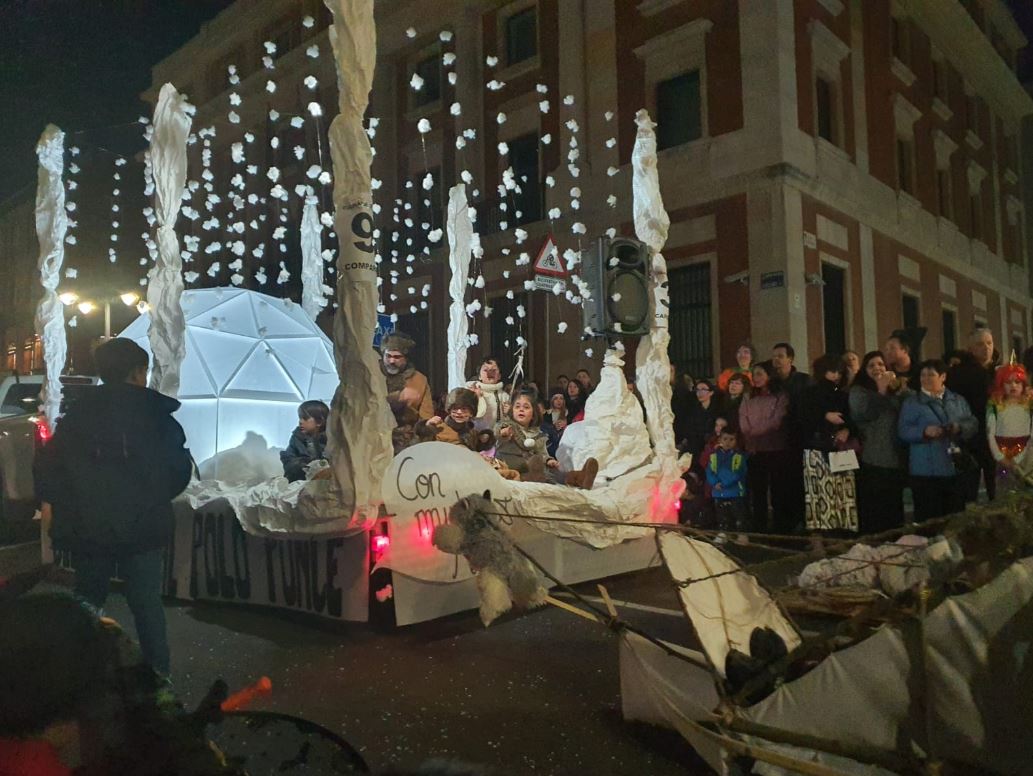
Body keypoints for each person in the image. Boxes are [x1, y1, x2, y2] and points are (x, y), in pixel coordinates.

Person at [34, 338, 192, 676]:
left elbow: (49, 467)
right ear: (139, 372)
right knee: (146, 603)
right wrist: (152, 497)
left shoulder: (78, 415)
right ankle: (157, 679)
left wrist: (67, 504)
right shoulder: (157, 416)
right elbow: (178, 470)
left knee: (88, 600)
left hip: (88, 524)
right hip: (143, 524)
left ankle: (80, 677)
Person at [898, 359, 977, 522]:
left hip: (954, 468)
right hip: (925, 471)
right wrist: (924, 432)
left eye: (931, 375)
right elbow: (903, 431)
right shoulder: (912, 403)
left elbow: (972, 423)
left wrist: (958, 427)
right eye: (923, 375)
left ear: (943, 377)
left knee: (954, 518)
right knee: (929, 520)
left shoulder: (957, 400)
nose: (925, 378)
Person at [848, 351, 910, 534]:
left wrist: (898, 389)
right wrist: (881, 391)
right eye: (871, 365)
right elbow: (864, 414)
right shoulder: (859, 391)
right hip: (873, 458)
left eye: (881, 364)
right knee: (875, 510)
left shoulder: (895, 391)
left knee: (895, 510)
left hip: (896, 458)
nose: (877, 368)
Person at [799, 354, 858, 533]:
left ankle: (839, 534)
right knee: (817, 495)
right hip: (817, 448)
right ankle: (818, 538)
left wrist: (847, 430)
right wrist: (824, 417)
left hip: (839, 449)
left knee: (841, 495)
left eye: (839, 372)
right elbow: (802, 419)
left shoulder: (844, 394)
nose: (836, 376)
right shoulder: (810, 393)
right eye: (832, 371)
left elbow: (853, 419)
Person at [494, 390, 598, 488]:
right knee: (535, 472)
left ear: (533, 414)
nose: (521, 409)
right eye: (517, 407)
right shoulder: (507, 426)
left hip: (534, 467)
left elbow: (542, 453)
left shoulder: (538, 434)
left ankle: (580, 478)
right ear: (512, 411)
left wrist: (548, 460)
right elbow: (498, 431)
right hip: (511, 466)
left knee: (554, 473)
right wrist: (504, 433)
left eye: (526, 407)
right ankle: (535, 477)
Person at [947, 327, 999, 502]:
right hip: (971, 438)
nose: (986, 348)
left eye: (989, 343)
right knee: (969, 490)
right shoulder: (959, 373)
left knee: (998, 489)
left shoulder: (1001, 372)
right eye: (980, 344)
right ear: (970, 349)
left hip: (998, 438)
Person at [738, 361, 791, 532]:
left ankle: (780, 526)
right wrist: (749, 433)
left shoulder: (779, 395)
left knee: (777, 490)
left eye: (760, 374)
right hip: (754, 450)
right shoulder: (748, 396)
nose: (756, 378)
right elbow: (743, 417)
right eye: (754, 375)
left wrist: (755, 432)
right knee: (757, 491)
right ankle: (759, 525)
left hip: (775, 449)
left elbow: (776, 420)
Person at [770, 343, 809, 530]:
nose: (776, 360)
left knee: (798, 483)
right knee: (779, 484)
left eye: (780, 356)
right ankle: (781, 523)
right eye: (774, 356)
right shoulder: (771, 383)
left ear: (790, 359)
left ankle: (800, 520)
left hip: (798, 438)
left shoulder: (803, 381)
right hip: (775, 441)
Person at [985, 358, 1033, 495]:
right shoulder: (994, 405)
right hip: (1002, 454)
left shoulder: (1029, 405)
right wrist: (1000, 457)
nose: (1013, 386)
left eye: (1017, 382)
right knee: (1006, 493)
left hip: (1028, 456)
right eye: (1008, 382)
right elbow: (990, 433)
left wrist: (1019, 458)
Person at [706, 425, 750, 541]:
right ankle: (723, 532)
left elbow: (738, 473)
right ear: (720, 440)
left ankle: (742, 534)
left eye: (731, 439)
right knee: (722, 515)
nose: (728, 442)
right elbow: (710, 471)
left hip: (735, 491)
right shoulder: (714, 456)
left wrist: (723, 484)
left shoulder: (739, 457)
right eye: (725, 439)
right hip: (719, 492)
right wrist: (714, 483)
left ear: (736, 441)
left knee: (738, 514)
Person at [416, 387, 482, 450]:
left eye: (464, 409)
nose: (459, 412)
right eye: (455, 408)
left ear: (471, 413)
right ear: (449, 410)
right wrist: (426, 429)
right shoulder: (438, 428)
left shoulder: (473, 434)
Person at [280, 400, 329, 482]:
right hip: (299, 480)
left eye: (305, 418)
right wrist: (305, 465)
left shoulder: (329, 439)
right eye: (300, 418)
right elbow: (288, 460)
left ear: (319, 421)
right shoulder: (297, 437)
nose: (300, 421)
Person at [683, 379, 720, 473]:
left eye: (703, 389)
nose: (700, 393)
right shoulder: (692, 410)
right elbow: (689, 429)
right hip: (696, 446)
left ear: (711, 392)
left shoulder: (718, 409)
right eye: (698, 390)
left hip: (713, 445)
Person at [466, 358, 511, 432]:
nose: (490, 372)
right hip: (476, 435)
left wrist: (509, 412)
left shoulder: (504, 396)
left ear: (499, 376)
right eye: (485, 370)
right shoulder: (470, 391)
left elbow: (508, 420)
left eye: (494, 370)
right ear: (479, 376)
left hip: (497, 437)